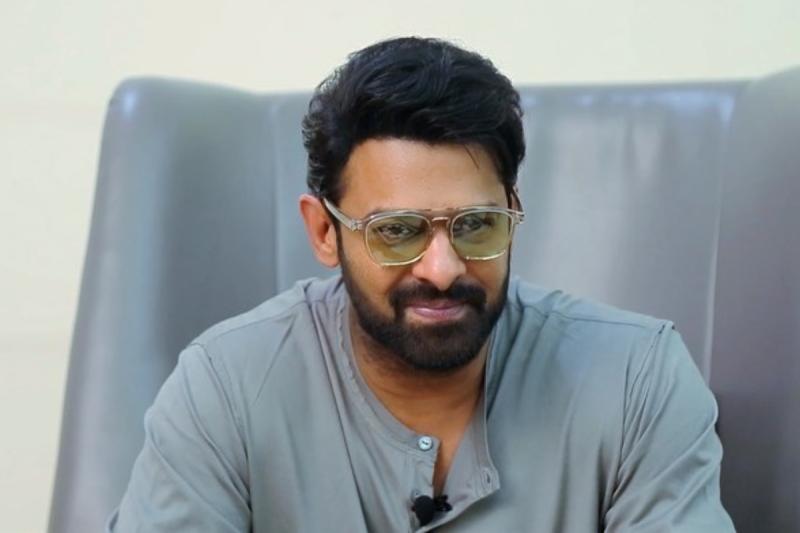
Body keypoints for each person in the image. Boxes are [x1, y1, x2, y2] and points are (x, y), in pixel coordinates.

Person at [108, 37, 734, 532]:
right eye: (397, 231)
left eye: (476, 225)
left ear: (513, 211)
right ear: (324, 232)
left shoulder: (636, 380)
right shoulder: (225, 390)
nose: (442, 269)